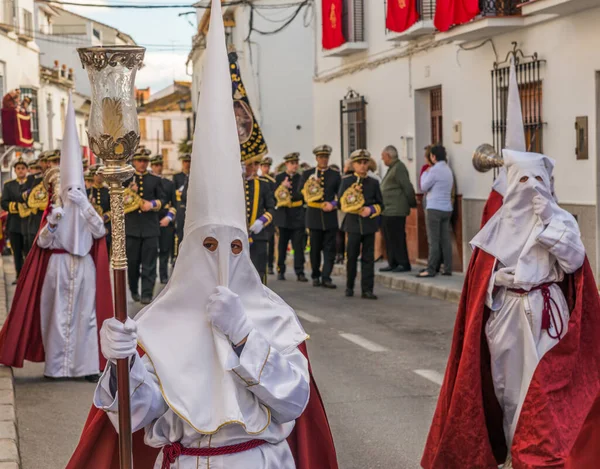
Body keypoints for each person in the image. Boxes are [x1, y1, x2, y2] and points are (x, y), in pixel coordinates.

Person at [65, 4, 339, 466]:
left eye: (233, 246)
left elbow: (294, 401)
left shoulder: (271, 316)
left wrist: (245, 337)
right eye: (208, 246)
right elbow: (136, 417)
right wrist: (122, 366)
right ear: (189, 252)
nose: (219, 260)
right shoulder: (158, 322)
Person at [422, 148, 600, 469]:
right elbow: (479, 285)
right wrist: (496, 280)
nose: (531, 185)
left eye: (538, 178)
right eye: (522, 178)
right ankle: (517, 452)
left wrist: (550, 225)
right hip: (506, 315)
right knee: (510, 391)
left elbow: (574, 262)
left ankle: (540, 456)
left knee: (545, 389)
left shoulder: (558, 218)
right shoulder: (497, 224)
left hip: (548, 316)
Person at [0, 97, 113, 381]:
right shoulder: (55, 211)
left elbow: (100, 231)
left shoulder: (87, 210)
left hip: (83, 266)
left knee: (86, 318)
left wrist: (84, 207)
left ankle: (86, 367)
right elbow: (41, 244)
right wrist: (56, 217)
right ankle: (57, 367)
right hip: (58, 268)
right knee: (57, 318)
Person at [339, 149, 384, 300]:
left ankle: (367, 289)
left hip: (369, 224)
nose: (362, 166)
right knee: (351, 256)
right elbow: (340, 203)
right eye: (359, 163)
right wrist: (353, 207)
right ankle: (349, 286)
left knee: (368, 258)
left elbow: (381, 204)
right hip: (352, 224)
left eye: (365, 163)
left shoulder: (373, 182)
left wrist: (370, 210)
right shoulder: (346, 181)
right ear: (354, 164)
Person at [125, 149, 166, 304]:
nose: (142, 163)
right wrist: (130, 190)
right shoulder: (126, 179)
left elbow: (163, 199)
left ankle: (147, 293)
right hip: (132, 228)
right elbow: (118, 199)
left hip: (150, 228)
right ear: (134, 161)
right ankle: (134, 289)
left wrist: (152, 204)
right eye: (139, 160)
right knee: (133, 263)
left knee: (149, 263)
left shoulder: (155, 180)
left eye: (144, 161)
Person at [301, 145, 341, 289]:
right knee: (315, 249)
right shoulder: (308, 174)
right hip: (314, 216)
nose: (323, 160)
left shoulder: (335, 175)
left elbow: (341, 195)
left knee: (330, 249)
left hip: (329, 216)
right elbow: (302, 193)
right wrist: (311, 185)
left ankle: (326, 276)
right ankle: (315, 275)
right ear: (316, 158)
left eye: (326, 157)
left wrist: (333, 203)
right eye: (321, 157)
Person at [418, 144, 453, 277]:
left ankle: (431, 269)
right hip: (447, 208)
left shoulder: (434, 170)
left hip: (434, 208)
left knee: (433, 240)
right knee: (445, 240)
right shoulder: (448, 170)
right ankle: (448, 268)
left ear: (433, 156)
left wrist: (424, 174)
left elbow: (423, 186)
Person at [379, 145, 416, 273]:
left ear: (389, 156)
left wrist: (412, 203)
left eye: (383, 157)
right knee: (389, 237)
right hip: (387, 210)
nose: (382, 160)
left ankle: (403, 262)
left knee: (397, 237)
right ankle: (393, 262)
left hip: (396, 210)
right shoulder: (392, 168)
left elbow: (407, 186)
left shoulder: (399, 168)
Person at [274, 152, 307, 282]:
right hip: (284, 215)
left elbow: (304, 195)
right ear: (286, 164)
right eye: (292, 163)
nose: (294, 166)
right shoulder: (279, 178)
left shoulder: (301, 177)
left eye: (296, 163)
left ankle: (300, 271)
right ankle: (280, 270)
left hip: (297, 214)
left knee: (298, 246)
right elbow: (274, 195)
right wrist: (283, 187)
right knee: (282, 245)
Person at [245, 158, 275, 283]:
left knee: (258, 273)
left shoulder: (263, 184)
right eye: (249, 164)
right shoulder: (232, 184)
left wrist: (262, 221)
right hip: (236, 237)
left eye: (255, 164)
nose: (252, 167)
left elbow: (271, 208)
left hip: (258, 235)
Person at [1, 158, 30, 280]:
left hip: (29, 223)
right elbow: (4, 203)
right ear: (15, 170)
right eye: (18, 168)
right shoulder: (9, 185)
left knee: (28, 252)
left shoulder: (31, 183)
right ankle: (19, 276)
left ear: (27, 170)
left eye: (23, 168)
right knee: (17, 252)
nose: (21, 171)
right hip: (15, 223)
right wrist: (17, 206)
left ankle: (29, 277)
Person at [150, 156, 177, 284]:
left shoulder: (169, 183)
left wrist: (169, 218)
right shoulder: (148, 182)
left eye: (160, 164)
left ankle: (163, 275)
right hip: (152, 219)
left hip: (165, 218)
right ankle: (151, 276)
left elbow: (175, 204)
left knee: (165, 249)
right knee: (152, 251)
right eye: (155, 165)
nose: (158, 167)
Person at [87, 164, 111, 254]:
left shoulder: (109, 192)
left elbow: (112, 209)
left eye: (102, 175)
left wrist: (104, 217)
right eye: (97, 175)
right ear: (93, 176)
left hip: (105, 226)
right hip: (90, 227)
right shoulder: (87, 192)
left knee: (105, 251)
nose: (99, 177)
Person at [259, 156, 277, 275]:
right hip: (259, 215)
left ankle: (270, 264)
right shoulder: (258, 180)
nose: (266, 168)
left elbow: (274, 198)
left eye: (267, 166)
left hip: (268, 216)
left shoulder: (272, 182)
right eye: (264, 166)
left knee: (270, 241)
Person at [173, 153, 190, 248]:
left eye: (189, 162)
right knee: (180, 232)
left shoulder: (193, 177)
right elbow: (174, 191)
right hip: (180, 207)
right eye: (185, 162)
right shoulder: (177, 176)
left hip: (190, 206)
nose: (187, 164)